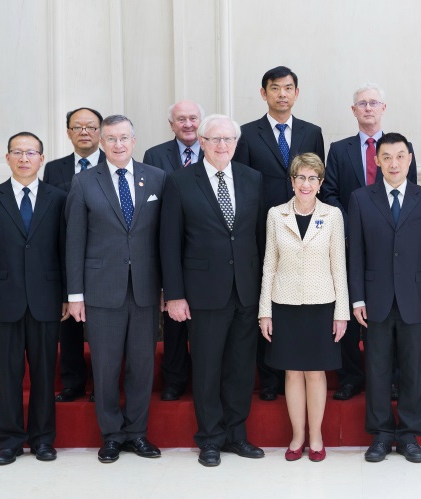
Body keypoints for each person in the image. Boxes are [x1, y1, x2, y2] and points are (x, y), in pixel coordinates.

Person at [161, 114, 266, 467]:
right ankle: (209, 438)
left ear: (237, 143)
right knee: (207, 368)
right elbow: (169, 243)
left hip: (246, 290)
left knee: (240, 368)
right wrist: (174, 294)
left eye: (229, 139)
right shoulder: (179, 181)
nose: (223, 145)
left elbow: (259, 238)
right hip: (203, 292)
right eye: (215, 139)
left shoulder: (252, 178)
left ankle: (236, 434)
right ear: (202, 143)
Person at [66, 115, 165, 463]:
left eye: (124, 138)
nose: (118, 144)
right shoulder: (83, 182)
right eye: (111, 139)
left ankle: (136, 433)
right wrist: (75, 295)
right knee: (106, 367)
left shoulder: (157, 177)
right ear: (102, 143)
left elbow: (164, 238)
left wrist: (167, 288)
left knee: (142, 365)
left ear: (134, 141)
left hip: (145, 289)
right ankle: (111, 435)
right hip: (101, 290)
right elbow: (74, 241)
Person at [0, 132, 68, 465]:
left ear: (42, 158)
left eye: (31, 152)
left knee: (44, 374)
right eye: (18, 152)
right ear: (7, 157)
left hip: (47, 299)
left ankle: (43, 439)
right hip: (4, 299)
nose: (24, 158)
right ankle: (10, 441)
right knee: (8, 374)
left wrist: (67, 294)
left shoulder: (59, 198)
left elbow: (64, 250)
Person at [348, 133, 421, 464]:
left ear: (410, 158)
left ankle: (409, 435)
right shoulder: (361, 198)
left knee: (414, 368)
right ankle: (381, 434)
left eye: (400, 156)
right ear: (376, 161)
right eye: (386, 157)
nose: (393, 163)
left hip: (415, 298)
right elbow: (355, 253)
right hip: (374, 298)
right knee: (376, 368)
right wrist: (357, 298)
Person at [320, 83, 418, 401]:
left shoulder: (401, 149)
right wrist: (354, 227)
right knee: (350, 311)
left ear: (383, 108)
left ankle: (392, 379)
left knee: (390, 314)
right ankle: (351, 377)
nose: (368, 108)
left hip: (392, 250)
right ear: (354, 111)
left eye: (373, 103)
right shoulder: (339, 149)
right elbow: (329, 193)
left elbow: (410, 198)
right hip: (349, 245)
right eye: (362, 103)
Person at [234, 66, 325, 401]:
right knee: (267, 299)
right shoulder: (246, 133)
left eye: (288, 88)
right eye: (275, 88)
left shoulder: (312, 132)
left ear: (296, 93)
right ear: (264, 93)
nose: (282, 94)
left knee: (298, 301)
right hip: (262, 228)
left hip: (305, 230)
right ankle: (270, 378)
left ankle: (298, 365)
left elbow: (318, 180)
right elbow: (243, 185)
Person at [259, 153, 349, 462]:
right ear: (292, 181)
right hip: (284, 303)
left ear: (321, 183)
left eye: (312, 178)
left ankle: (316, 436)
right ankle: (297, 436)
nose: (306, 184)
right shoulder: (276, 214)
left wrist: (341, 313)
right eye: (301, 177)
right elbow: (269, 265)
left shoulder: (332, 215)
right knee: (293, 372)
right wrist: (265, 311)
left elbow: (339, 267)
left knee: (315, 372)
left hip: (321, 304)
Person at [143, 99, 206, 402]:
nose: (188, 124)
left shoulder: (215, 149)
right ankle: (175, 380)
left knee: (204, 324)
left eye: (193, 118)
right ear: (171, 125)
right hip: (169, 245)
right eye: (181, 119)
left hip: (204, 249)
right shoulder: (154, 156)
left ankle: (204, 379)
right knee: (173, 320)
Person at [43, 107, 105, 403]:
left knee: (104, 327)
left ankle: (102, 384)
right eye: (77, 127)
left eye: (91, 127)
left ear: (100, 132)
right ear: (68, 133)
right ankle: (73, 382)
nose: (84, 132)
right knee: (68, 322)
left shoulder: (114, 162)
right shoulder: (54, 169)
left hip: (104, 256)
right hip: (67, 254)